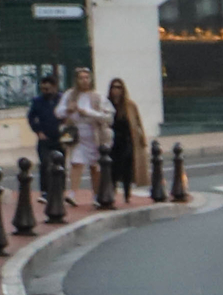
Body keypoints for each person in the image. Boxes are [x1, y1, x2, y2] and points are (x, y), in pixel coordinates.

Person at [61, 68, 113, 206]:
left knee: (94, 166)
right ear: (76, 80)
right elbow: (59, 112)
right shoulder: (69, 95)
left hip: (94, 135)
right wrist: (68, 109)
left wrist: (89, 113)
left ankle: (96, 195)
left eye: (87, 78)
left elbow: (108, 117)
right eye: (81, 78)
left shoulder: (98, 97)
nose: (84, 80)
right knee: (76, 162)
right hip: (76, 134)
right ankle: (72, 194)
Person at [106, 78, 146, 202]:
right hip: (111, 141)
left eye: (119, 87)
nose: (116, 90)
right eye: (113, 87)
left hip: (127, 140)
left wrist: (142, 139)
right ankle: (111, 192)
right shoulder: (106, 104)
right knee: (113, 168)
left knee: (127, 167)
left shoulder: (130, 105)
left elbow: (138, 123)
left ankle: (127, 194)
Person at [25, 75, 62, 163]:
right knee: (45, 163)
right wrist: (38, 131)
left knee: (60, 163)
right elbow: (31, 117)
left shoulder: (62, 99)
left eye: (47, 89)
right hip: (45, 138)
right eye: (43, 89)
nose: (45, 91)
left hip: (61, 137)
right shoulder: (37, 101)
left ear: (54, 87)